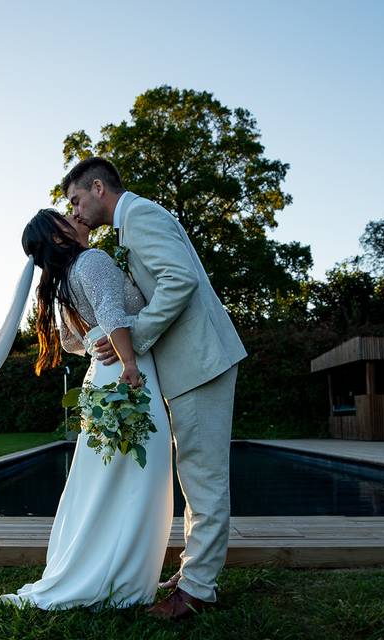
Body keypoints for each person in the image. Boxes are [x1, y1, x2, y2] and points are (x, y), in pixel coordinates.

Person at [64, 157, 247, 620]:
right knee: (193, 475)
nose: (76, 211)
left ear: (98, 188)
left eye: (77, 199)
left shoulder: (141, 215)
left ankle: (198, 591)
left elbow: (179, 280)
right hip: (186, 366)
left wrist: (136, 337)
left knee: (204, 479)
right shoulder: (129, 227)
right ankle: (193, 575)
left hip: (200, 362)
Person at [0, 208, 173, 609]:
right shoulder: (91, 260)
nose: (74, 216)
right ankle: (122, 581)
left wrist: (99, 341)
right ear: (58, 236)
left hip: (99, 376)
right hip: (125, 372)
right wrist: (129, 363)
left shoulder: (63, 280)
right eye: (64, 216)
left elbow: (70, 342)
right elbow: (113, 314)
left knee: (105, 479)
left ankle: (105, 570)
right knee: (137, 477)